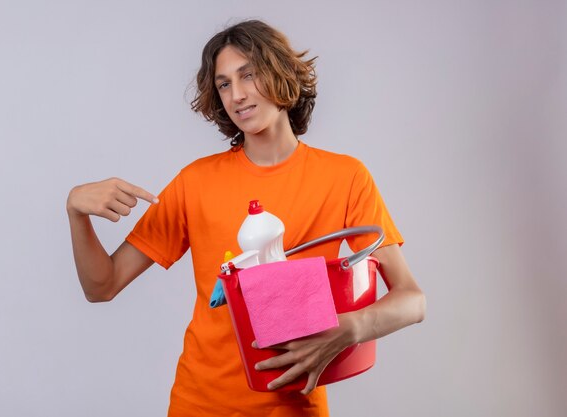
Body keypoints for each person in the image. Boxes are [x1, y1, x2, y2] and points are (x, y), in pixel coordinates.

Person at [66, 19, 425, 417]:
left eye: (248, 75)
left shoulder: (344, 177)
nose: (237, 95)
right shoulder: (196, 182)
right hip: (199, 404)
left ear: (280, 73)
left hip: (295, 407)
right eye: (224, 84)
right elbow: (103, 286)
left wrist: (350, 329)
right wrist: (76, 213)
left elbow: (411, 299)